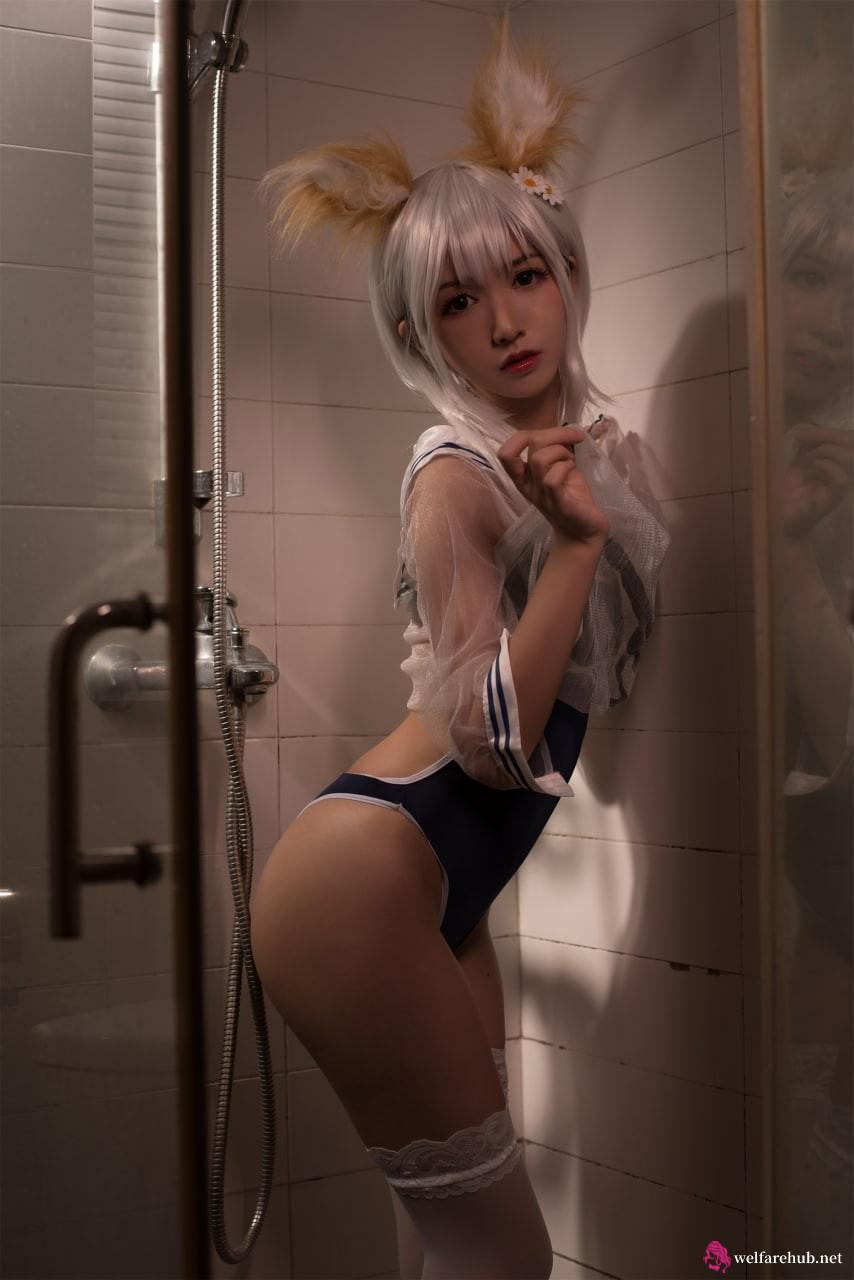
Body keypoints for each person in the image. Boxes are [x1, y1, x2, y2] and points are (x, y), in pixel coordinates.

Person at [250, 14, 670, 1279]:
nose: (501, 321)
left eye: (523, 275)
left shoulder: (569, 452)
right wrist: (577, 546)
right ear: (419, 333)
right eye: (455, 300)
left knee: (448, 1246)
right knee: (505, 1257)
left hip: (443, 883)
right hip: (365, 874)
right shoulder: (454, 471)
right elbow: (492, 741)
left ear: (565, 269)